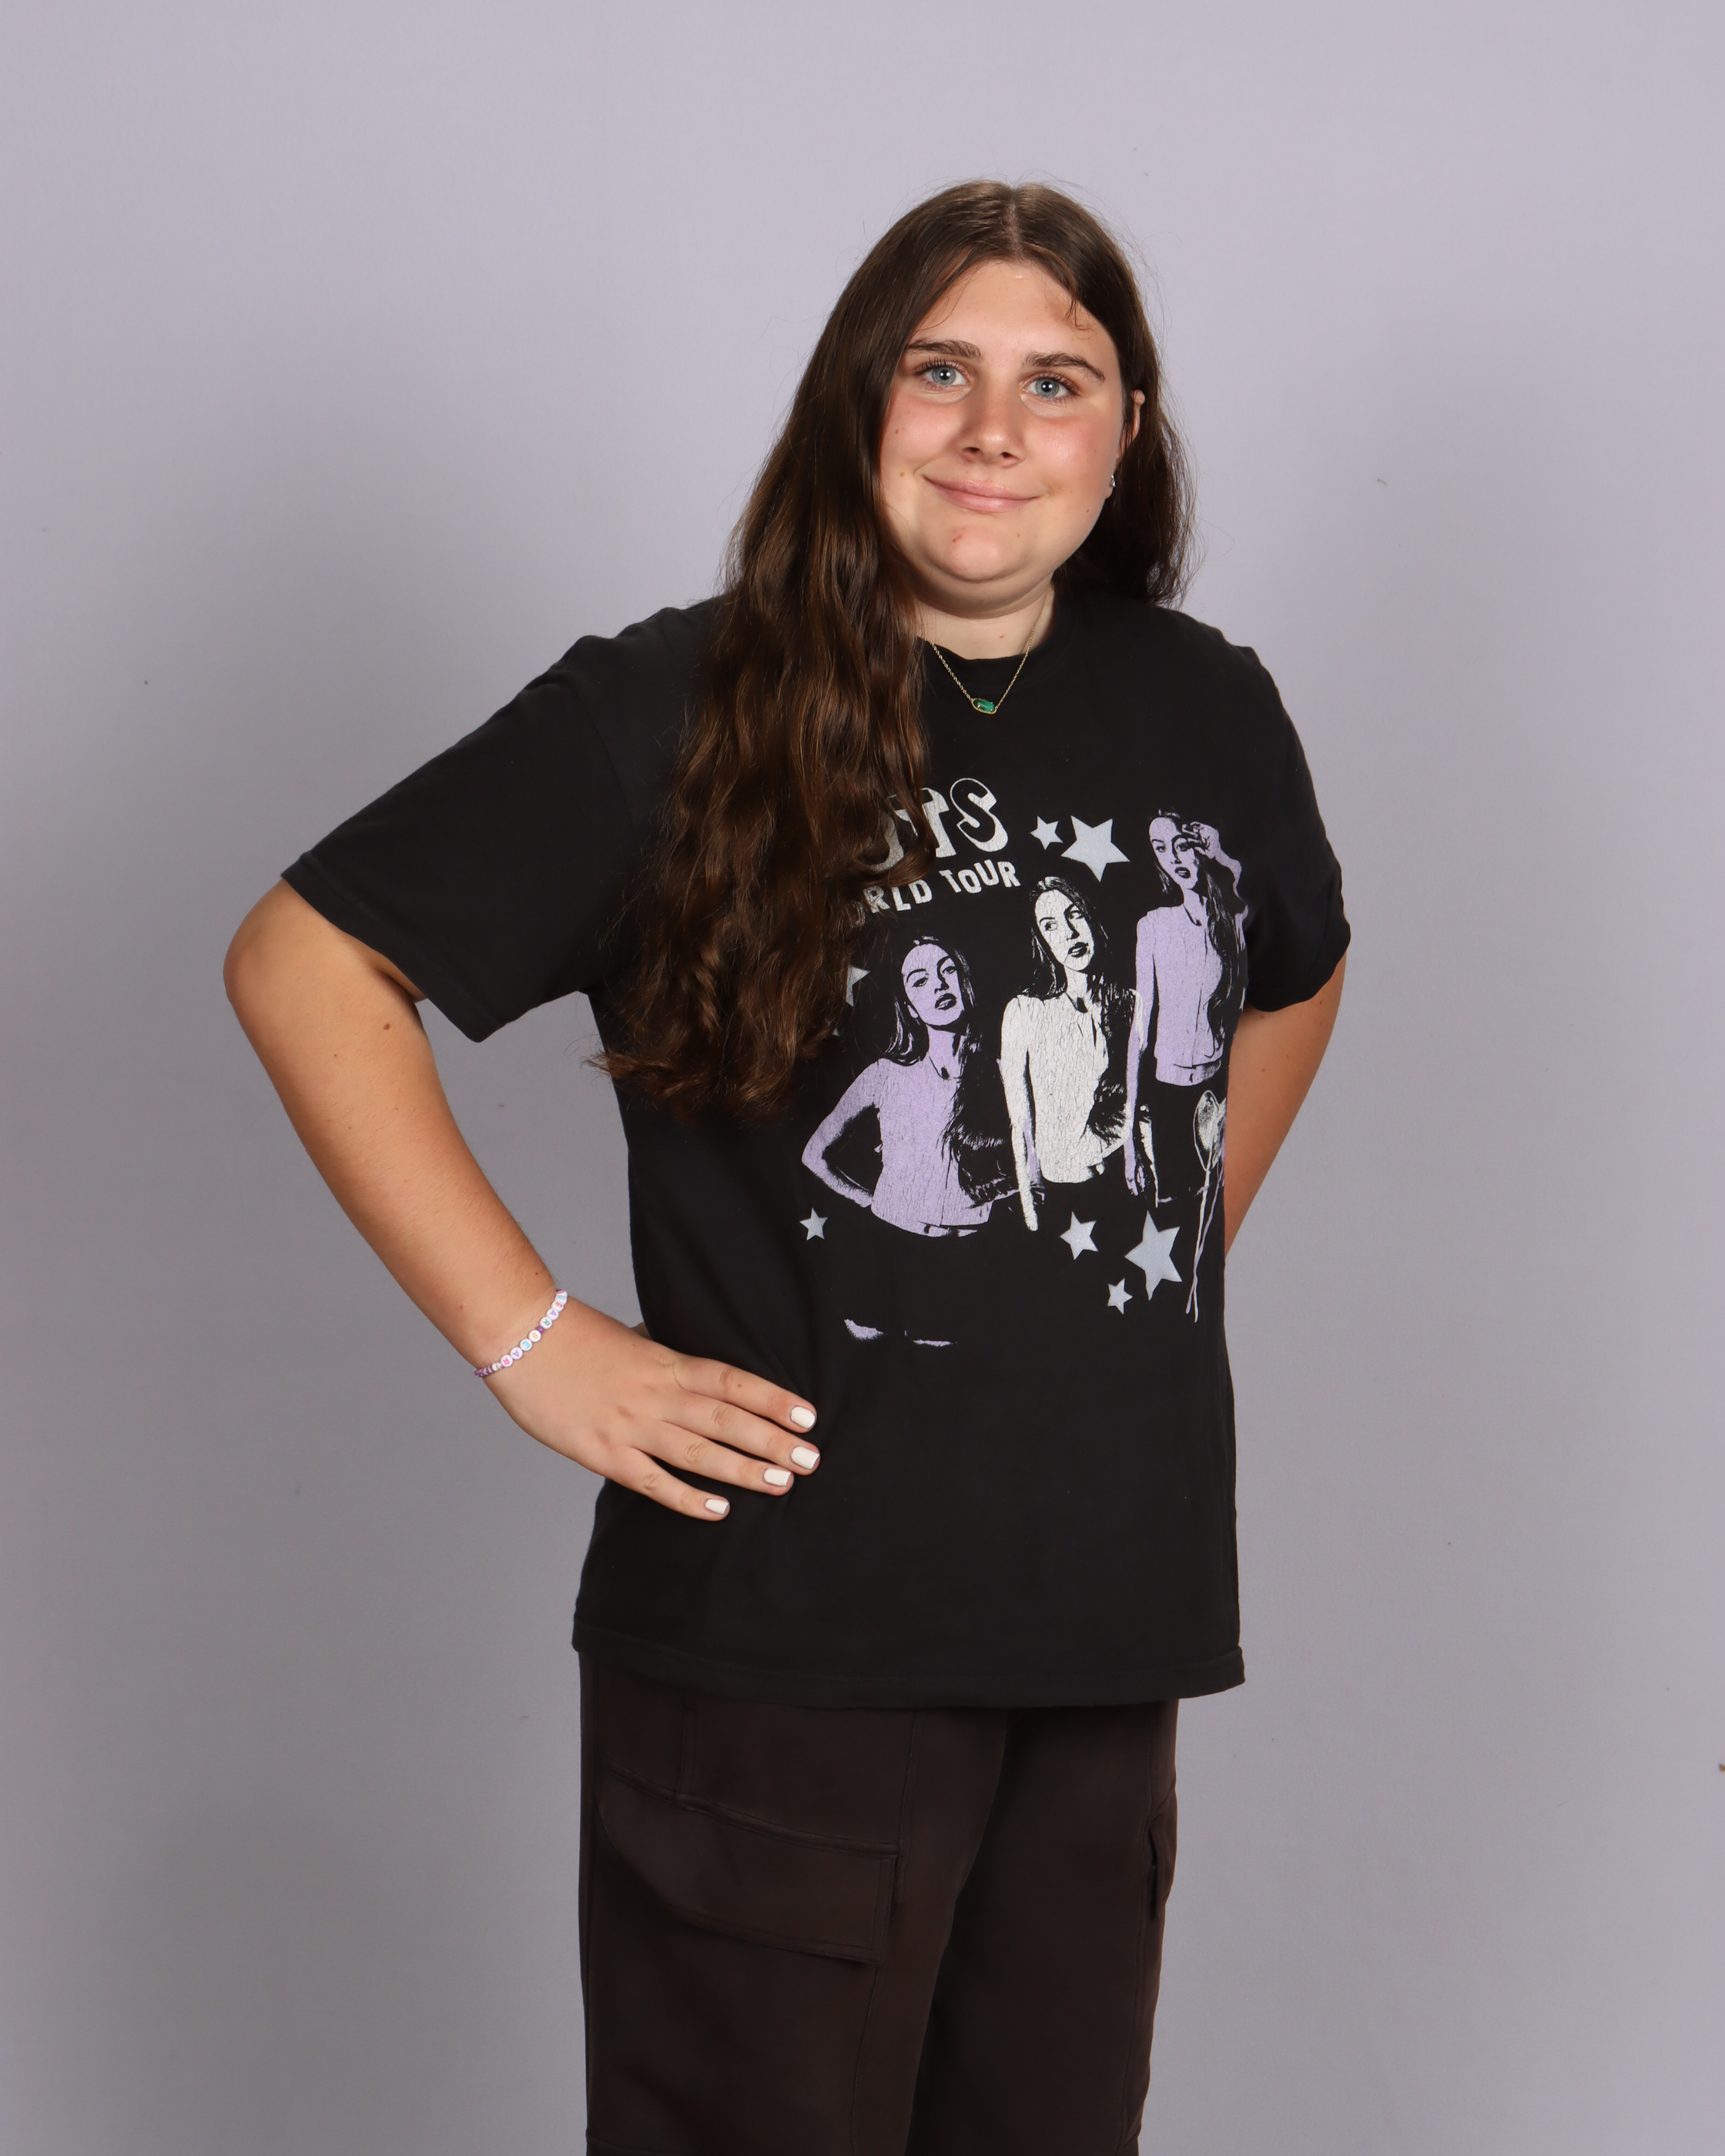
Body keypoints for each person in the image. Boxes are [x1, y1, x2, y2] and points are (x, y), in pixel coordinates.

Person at [225, 180, 1348, 2155]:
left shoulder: (1207, 708)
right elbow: (306, 964)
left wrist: (1171, 1232)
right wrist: (535, 1341)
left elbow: (1294, 971)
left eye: (1056, 381)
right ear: (857, 403)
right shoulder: (671, 704)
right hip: (785, 1641)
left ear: (1127, 430)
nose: (993, 428)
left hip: (1109, 1621)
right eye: (939, 370)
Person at [802, 936, 996, 1237]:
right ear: (911, 1008)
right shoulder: (884, 1075)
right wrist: (869, 1201)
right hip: (895, 1234)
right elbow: (815, 1154)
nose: (939, 985)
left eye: (948, 970)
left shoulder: (1002, 1073)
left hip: (978, 1243)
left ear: (966, 982)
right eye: (920, 981)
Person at [1124, 814, 1250, 1210]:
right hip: (1168, 1095)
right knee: (1173, 1211)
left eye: (1181, 844)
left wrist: (1222, 856)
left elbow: (1255, 893)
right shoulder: (1154, 926)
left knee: (1212, 1211)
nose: (1173, 858)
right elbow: (1139, 1032)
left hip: (1218, 1091)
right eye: (1160, 849)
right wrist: (1128, 1139)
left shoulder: (1231, 923)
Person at [998, 873, 1130, 1229]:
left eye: (1075, 914)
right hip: (1063, 1193)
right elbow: (1020, 1122)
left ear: (1092, 916)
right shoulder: (1024, 1011)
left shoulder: (1130, 1002)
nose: (1069, 933)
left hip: (1125, 1181)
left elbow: (1143, 1103)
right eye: (1051, 925)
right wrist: (1031, 1208)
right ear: (1041, 939)